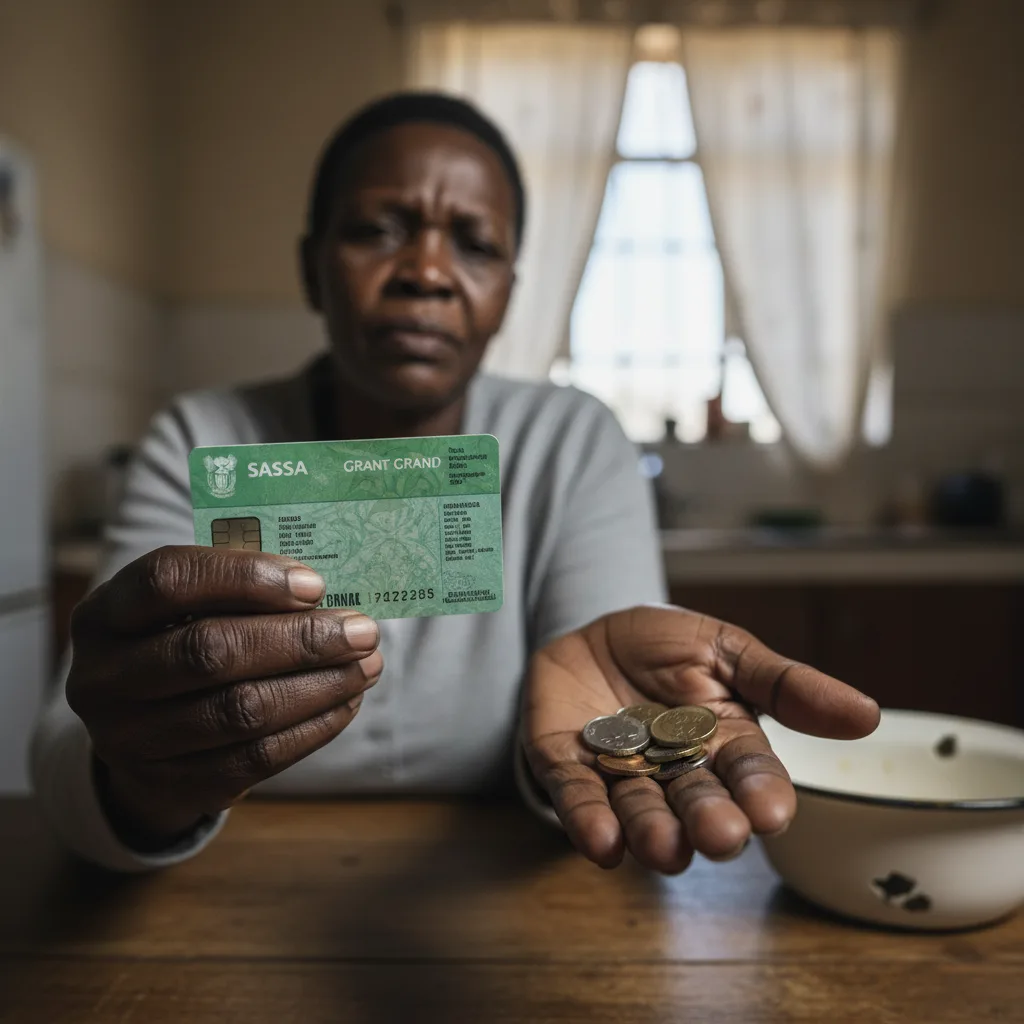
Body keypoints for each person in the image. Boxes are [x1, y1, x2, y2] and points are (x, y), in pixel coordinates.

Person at [31, 93, 878, 875]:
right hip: (217, 888)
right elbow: (69, 761)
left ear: (511, 293)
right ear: (310, 266)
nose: (427, 272)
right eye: (377, 230)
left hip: (507, 883)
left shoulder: (572, 440)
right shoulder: (199, 438)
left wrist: (602, 752)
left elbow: (602, 705)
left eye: (474, 245)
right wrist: (141, 780)